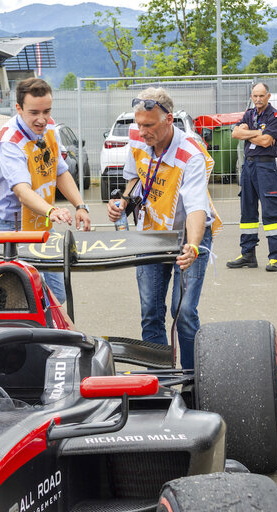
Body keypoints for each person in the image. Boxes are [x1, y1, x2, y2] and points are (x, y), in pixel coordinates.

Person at [107, 88, 221, 370]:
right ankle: (160, 378)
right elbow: (134, 178)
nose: (142, 132)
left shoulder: (191, 154)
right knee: (151, 313)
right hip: (151, 234)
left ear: (169, 119)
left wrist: (193, 246)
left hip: (188, 235)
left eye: (149, 125)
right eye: (139, 125)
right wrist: (122, 202)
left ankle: (194, 380)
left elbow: (195, 206)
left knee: (182, 312)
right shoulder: (138, 141)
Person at [0, 78, 91, 304]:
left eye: (47, 111)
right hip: (13, 227)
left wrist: (80, 205)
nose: (42, 119)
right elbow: (22, 191)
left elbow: (60, 171)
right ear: (18, 108)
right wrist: (52, 210)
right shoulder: (8, 141)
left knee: (57, 294)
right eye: (34, 112)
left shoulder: (50, 128)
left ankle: (51, 335)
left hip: (43, 220)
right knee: (25, 298)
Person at [226, 82, 277, 272]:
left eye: (261, 96)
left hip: (265, 166)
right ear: (251, 96)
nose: (258, 99)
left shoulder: (274, 116)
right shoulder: (249, 114)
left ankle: (275, 258)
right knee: (247, 212)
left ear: (268, 96)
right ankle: (248, 254)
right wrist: (256, 133)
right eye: (255, 96)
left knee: (271, 211)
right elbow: (235, 133)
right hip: (248, 165)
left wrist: (246, 134)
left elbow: (266, 142)